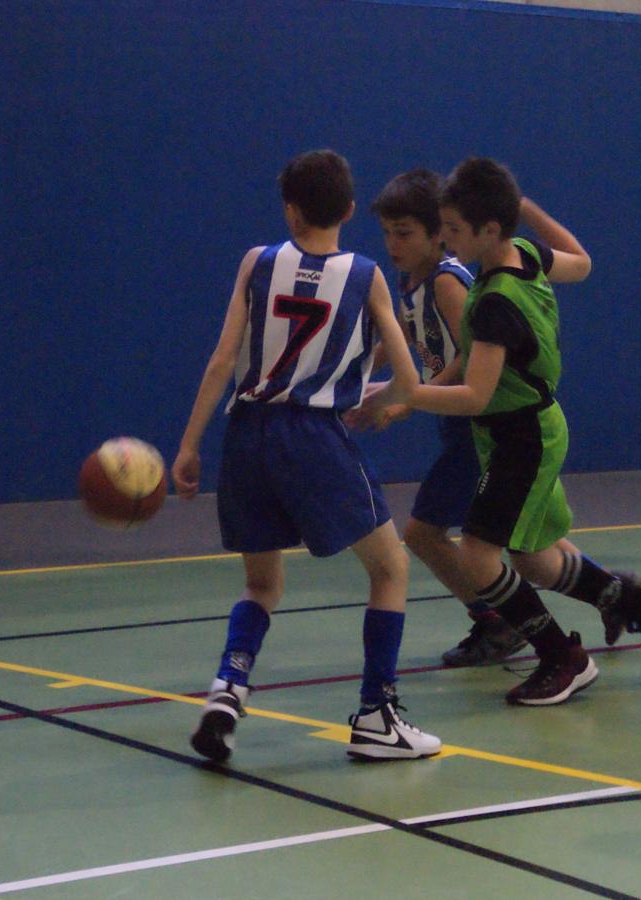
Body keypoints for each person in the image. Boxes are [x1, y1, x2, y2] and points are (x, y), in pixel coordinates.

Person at [366, 157, 641, 705]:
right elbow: (583, 263)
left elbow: (475, 393)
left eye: (455, 230)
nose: (446, 239)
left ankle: (562, 657)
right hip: (522, 428)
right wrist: (528, 212)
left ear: (490, 229)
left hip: (519, 434)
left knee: (476, 556)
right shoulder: (525, 255)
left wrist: (405, 396)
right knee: (534, 557)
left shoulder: (490, 301)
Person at [171, 149, 440, 763]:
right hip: (314, 438)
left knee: (261, 582)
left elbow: (221, 362)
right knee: (390, 569)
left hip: (246, 433)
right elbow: (408, 373)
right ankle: (378, 714)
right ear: (349, 209)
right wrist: (382, 405)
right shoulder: (367, 275)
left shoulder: (256, 263)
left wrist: (189, 445)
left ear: (290, 210)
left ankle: (226, 690)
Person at [352, 169, 586, 668]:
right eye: (388, 233)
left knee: (422, 532)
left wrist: (408, 399)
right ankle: (629, 599)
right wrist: (359, 372)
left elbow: (467, 359)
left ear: (439, 231)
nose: (393, 244)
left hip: (477, 424)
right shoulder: (410, 279)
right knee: (536, 544)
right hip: (459, 422)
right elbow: (412, 343)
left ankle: (497, 620)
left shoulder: (448, 283)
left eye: (405, 233)